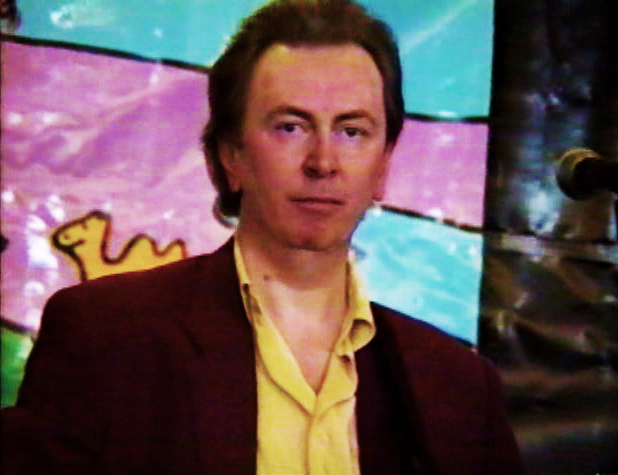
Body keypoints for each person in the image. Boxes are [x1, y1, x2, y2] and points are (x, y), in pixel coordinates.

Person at [1, 0, 522, 474]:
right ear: (231, 155)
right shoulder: (106, 340)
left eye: (352, 131)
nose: (323, 162)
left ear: (383, 165)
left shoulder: (457, 385)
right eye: (291, 127)